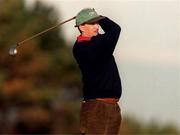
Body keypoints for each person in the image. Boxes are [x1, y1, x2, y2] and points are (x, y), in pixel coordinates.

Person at [73, 8, 122, 134]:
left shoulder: (98, 41)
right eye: (92, 23)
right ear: (82, 27)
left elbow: (111, 33)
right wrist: (102, 17)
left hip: (112, 106)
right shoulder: (82, 48)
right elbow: (115, 30)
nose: (97, 26)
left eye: (97, 23)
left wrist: (96, 17)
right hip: (96, 107)